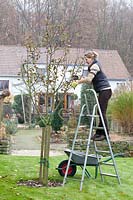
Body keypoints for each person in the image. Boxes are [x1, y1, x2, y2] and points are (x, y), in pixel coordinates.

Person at [72, 50, 112, 141]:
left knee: (102, 112)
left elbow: (89, 79)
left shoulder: (95, 66)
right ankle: (99, 133)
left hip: (105, 90)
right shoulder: (92, 66)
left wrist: (78, 82)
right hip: (102, 91)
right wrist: (78, 78)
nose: (86, 60)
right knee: (100, 112)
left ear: (92, 58)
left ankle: (105, 135)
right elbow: (88, 78)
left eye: (87, 59)